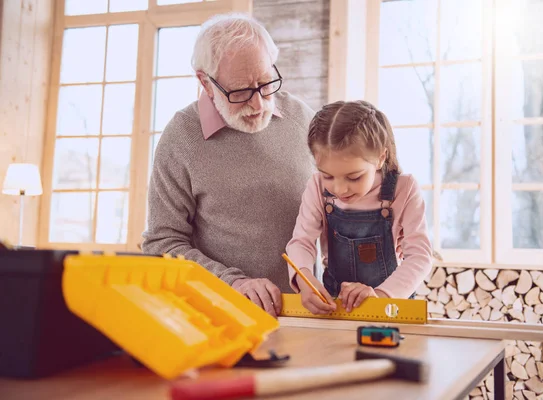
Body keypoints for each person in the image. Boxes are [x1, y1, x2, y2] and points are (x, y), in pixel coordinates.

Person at [142, 13, 315, 317]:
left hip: (303, 313)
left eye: (265, 83)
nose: (258, 104)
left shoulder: (302, 119)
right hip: (216, 313)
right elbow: (161, 243)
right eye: (240, 91)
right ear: (205, 82)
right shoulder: (181, 137)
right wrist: (232, 282)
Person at [285, 100, 433, 315]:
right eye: (328, 175)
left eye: (354, 177)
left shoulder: (405, 189)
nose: (339, 189)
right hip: (336, 303)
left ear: (380, 158)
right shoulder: (316, 187)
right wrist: (304, 279)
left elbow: (420, 256)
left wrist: (380, 297)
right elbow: (301, 241)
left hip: (391, 306)